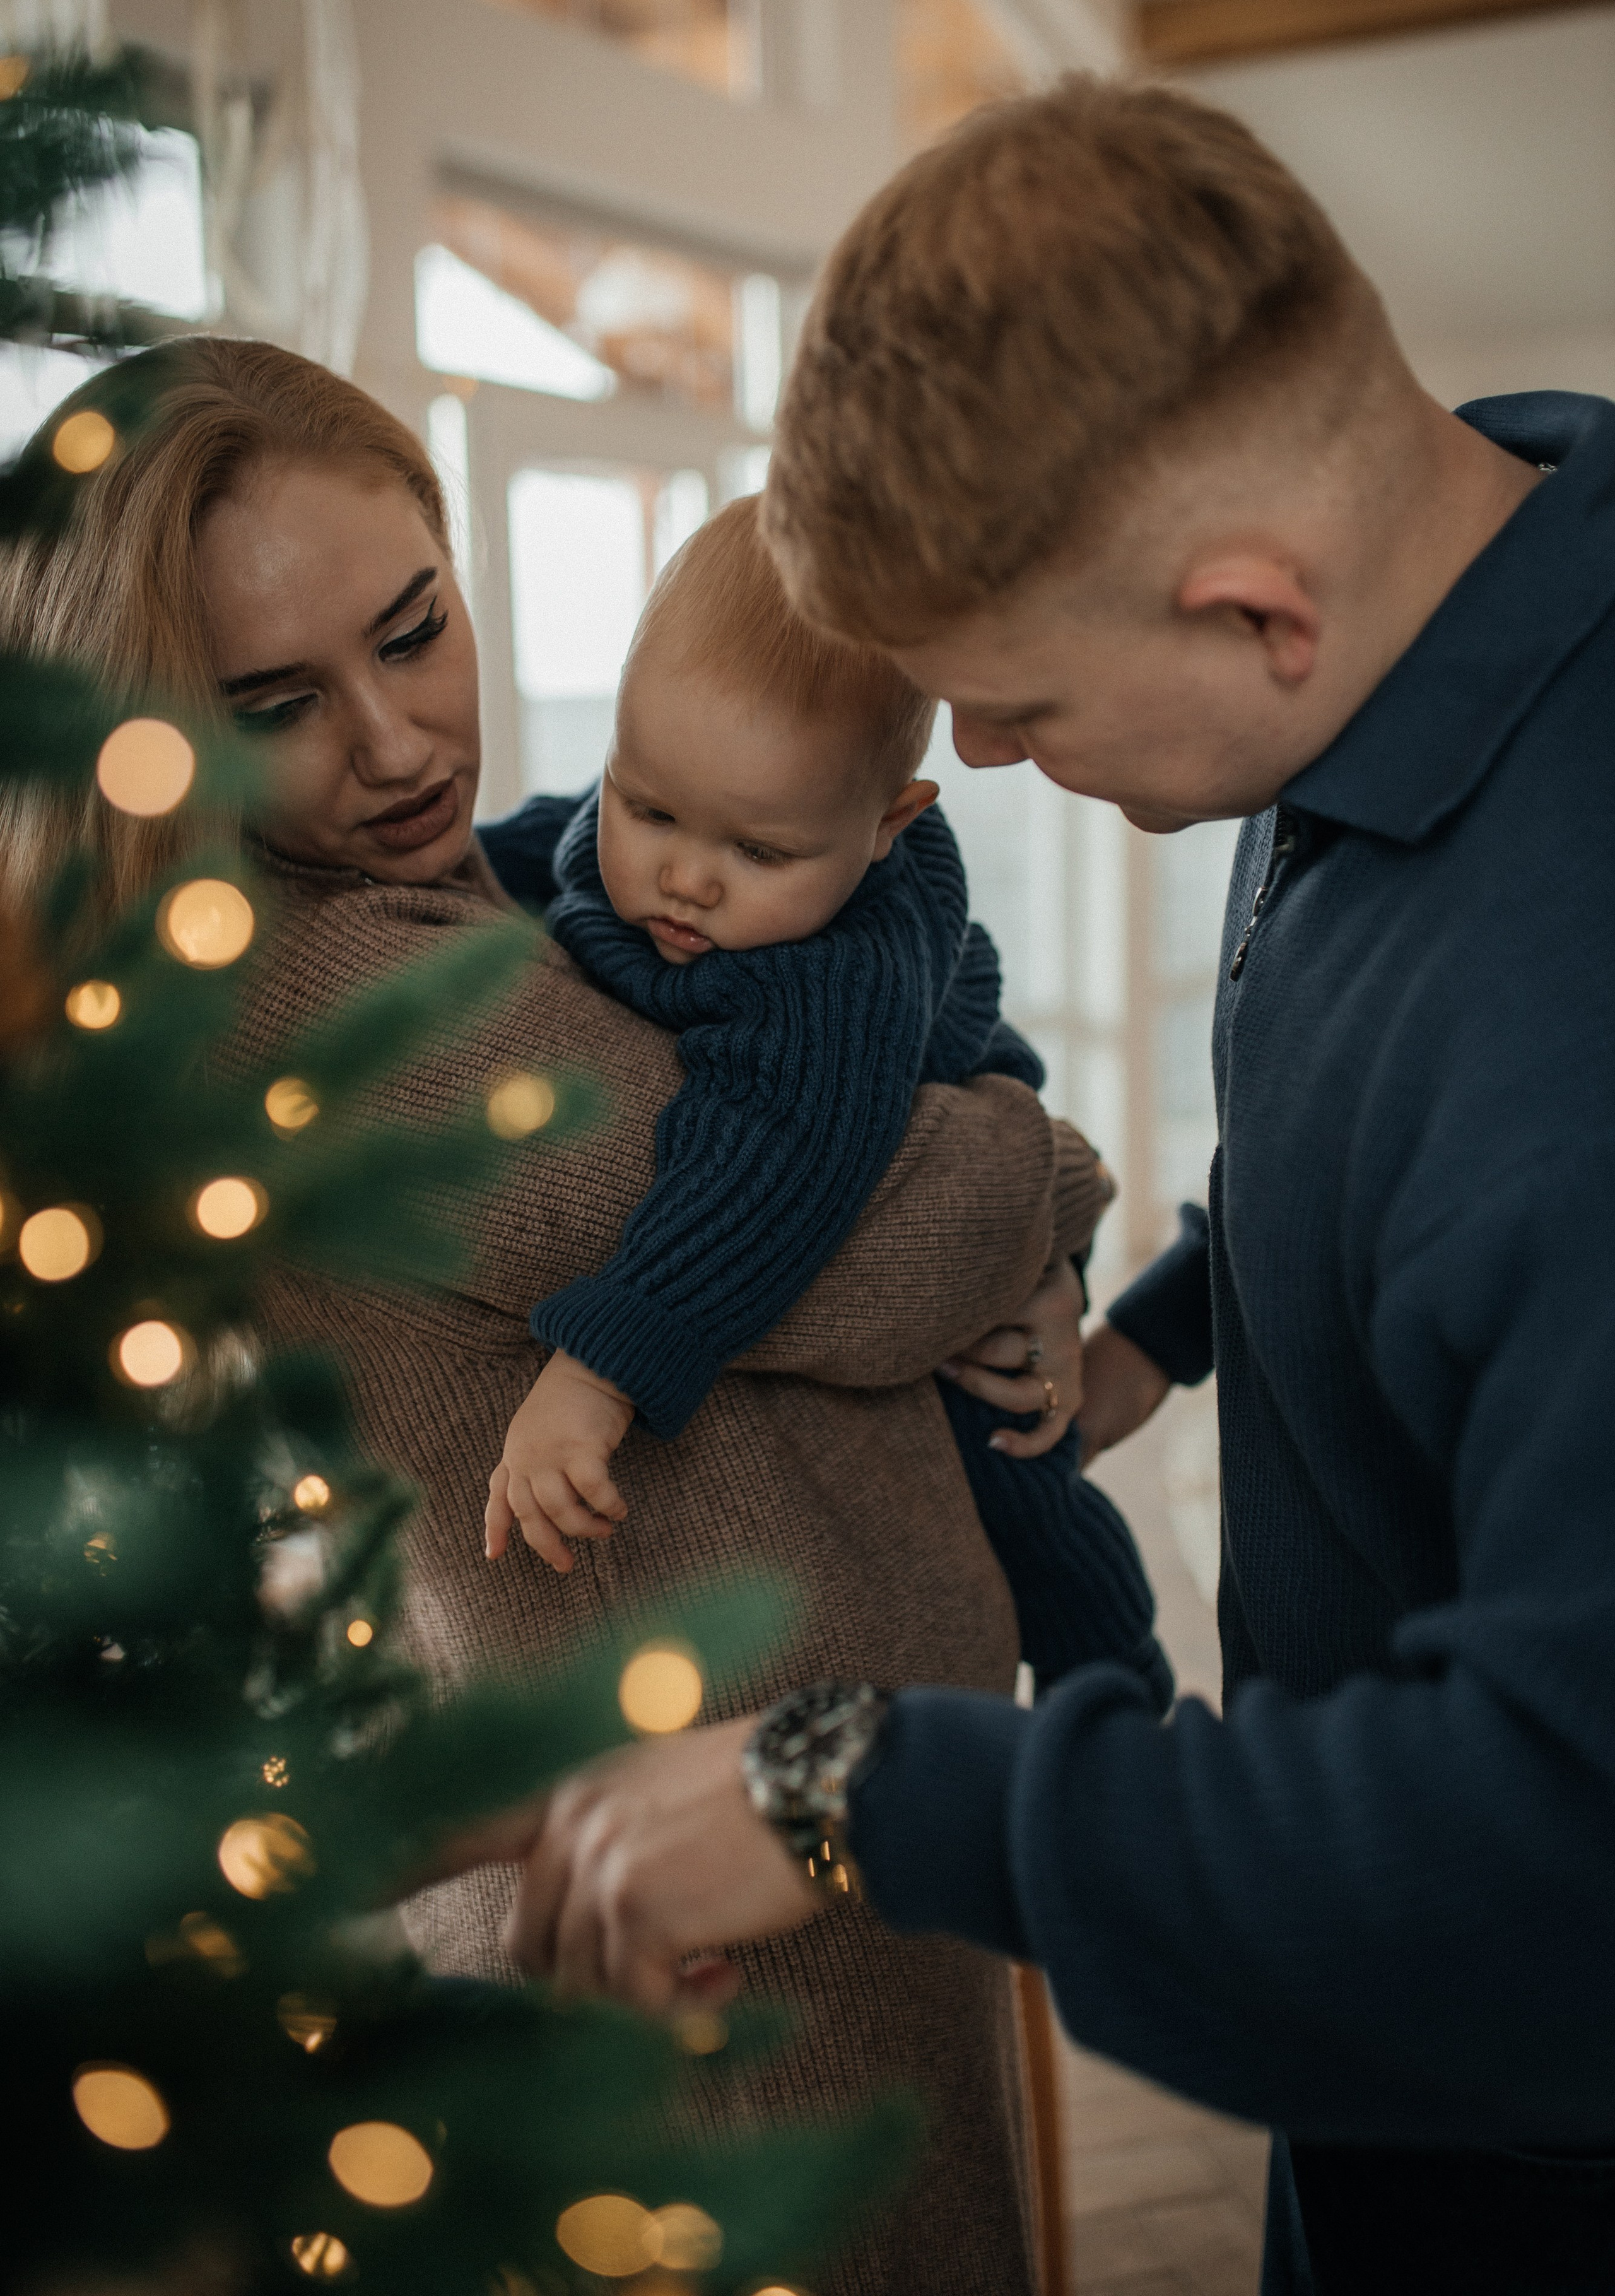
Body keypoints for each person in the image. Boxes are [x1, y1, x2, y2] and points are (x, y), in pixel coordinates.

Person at [483, 78, 1615, 2296]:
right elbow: (1372, 1160)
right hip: (1388, 2077)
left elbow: (1553, 1857)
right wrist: (1152, 1341)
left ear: (1249, 611)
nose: (985, 764)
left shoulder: (1564, 1013)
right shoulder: (1455, 607)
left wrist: (852, 1791)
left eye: (1010, 705)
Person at [0, 334, 1141, 2296]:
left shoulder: (488, 894)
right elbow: (858, 1247)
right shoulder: (342, 1002)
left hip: (783, 1832)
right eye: (277, 704)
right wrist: (1039, 1171)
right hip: (683, 1912)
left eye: (414, 629)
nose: (395, 744)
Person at [478, 494, 1170, 1710]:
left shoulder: (824, 974)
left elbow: (775, 1159)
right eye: (650, 808)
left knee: (1013, 1471)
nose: (685, 876)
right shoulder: (667, 819)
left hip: (914, 1098)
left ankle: (1116, 1688)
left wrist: (596, 1375)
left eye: (760, 853)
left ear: (884, 828)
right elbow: (547, 845)